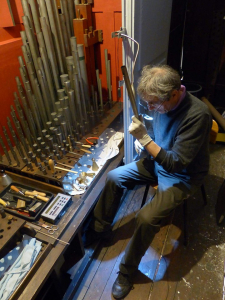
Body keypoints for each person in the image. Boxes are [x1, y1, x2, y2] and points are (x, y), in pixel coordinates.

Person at [82, 65, 212, 299]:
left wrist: (145, 138)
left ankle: (126, 272)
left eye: (154, 103)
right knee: (115, 177)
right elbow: (158, 135)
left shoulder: (198, 115)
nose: (151, 108)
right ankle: (100, 229)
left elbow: (176, 163)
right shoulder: (164, 102)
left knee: (146, 217)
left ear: (174, 94)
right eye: (148, 103)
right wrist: (146, 141)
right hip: (159, 161)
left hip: (183, 174)